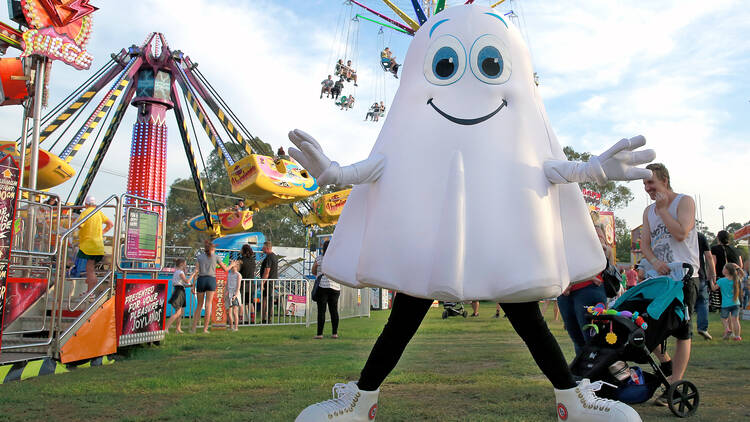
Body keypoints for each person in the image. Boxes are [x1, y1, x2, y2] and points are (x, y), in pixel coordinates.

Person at [639, 163, 699, 406]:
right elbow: (645, 243)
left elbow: (681, 233)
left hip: (684, 276)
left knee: (682, 331)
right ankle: (666, 364)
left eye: (651, 182)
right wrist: (654, 262)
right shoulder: (648, 211)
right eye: (644, 184)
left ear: (664, 179)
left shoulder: (684, 202)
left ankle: (674, 383)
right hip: (660, 280)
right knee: (647, 326)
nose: (648, 188)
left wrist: (664, 210)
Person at [557, 221, 609, 355]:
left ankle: (597, 371)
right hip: (566, 293)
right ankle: (583, 371)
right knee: (577, 338)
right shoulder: (568, 238)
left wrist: (584, 278)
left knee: (592, 336)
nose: (596, 237)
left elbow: (605, 254)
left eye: (599, 236)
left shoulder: (599, 243)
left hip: (589, 291)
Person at [74, 196, 114, 298]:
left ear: (86, 204)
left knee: (90, 269)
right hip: (98, 246)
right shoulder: (99, 212)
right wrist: (102, 233)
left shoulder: (85, 213)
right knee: (91, 270)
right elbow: (110, 224)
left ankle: (90, 292)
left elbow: (78, 225)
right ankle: (90, 290)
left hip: (88, 246)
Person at [191, 240, 229, 333]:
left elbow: (196, 272)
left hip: (201, 280)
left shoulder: (199, 257)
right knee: (208, 305)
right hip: (211, 280)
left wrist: (193, 285)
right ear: (212, 249)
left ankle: (193, 328)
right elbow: (225, 269)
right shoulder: (216, 257)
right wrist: (231, 265)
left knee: (199, 305)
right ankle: (205, 329)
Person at [313, 240, 340, 339]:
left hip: (322, 287)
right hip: (335, 287)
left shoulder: (319, 258)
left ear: (323, 248)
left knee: (321, 311)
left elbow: (313, 271)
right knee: (334, 310)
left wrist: (317, 268)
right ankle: (334, 333)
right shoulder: (337, 259)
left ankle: (320, 334)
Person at [712, 262, 744, 341]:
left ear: (726, 271)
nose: (722, 270)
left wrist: (711, 281)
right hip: (735, 303)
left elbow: (713, 288)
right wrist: (738, 267)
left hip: (725, 305)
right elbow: (742, 274)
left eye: (723, 268)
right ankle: (737, 336)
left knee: (723, 319)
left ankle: (727, 329)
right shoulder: (736, 279)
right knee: (736, 320)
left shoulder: (721, 280)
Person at [164, 259, 197, 334]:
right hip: (179, 292)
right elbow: (187, 281)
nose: (186, 265)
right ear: (182, 264)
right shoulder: (180, 272)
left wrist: (190, 285)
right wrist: (193, 274)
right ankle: (166, 328)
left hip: (180, 290)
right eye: (185, 264)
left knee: (180, 312)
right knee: (178, 313)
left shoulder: (176, 272)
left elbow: (183, 284)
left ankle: (178, 328)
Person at [695, 232, 716, 340]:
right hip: (700, 274)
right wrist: (713, 274)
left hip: (683, 275)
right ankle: (702, 327)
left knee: (684, 304)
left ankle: (683, 328)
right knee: (703, 301)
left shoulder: (678, 234)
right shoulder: (700, 236)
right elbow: (709, 257)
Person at [259, 241, 279, 323]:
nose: (262, 249)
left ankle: (266, 319)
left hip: (268, 281)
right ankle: (266, 318)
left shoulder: (269, 257)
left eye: (263, 247)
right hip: (271, 280)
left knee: (266, 299)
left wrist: (262, 283)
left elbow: (267, 271)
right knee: (268, 299)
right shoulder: (274, 256)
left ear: (267, 248)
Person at [239, 244, 256, 323]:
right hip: (251, 283)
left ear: (244, 251)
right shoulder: (253, 261)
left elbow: (238, 270)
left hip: (242, 283)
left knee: (241, 302)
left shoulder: (241, 260)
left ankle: (241, 319)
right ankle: (252, 319)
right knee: (250, 302)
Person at [226, 260, 242, 331]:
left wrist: (235, 295)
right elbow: (227, 285)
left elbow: (238, 286)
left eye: (234, 266)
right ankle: (231, 326)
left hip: (235, 294)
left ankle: (236, 327)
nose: (232, 267)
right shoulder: (229, 274)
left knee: (235, 312)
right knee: (229, 312)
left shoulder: (238, 275)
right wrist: (225, 293)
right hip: (229, 293)